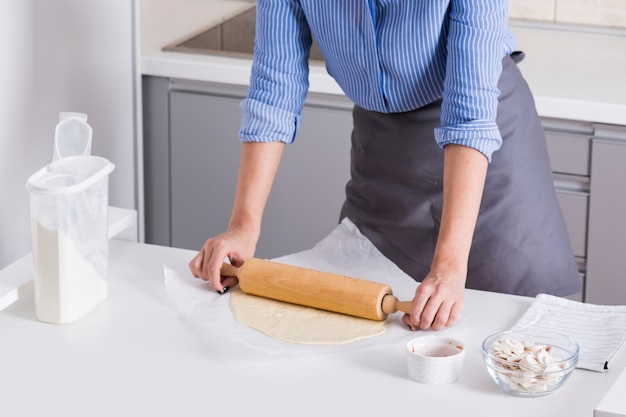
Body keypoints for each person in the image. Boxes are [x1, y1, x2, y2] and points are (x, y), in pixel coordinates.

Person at [189, 0, 581, 331]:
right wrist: (244, 226)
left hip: (485, 153)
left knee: (510, 331)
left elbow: (470, 113)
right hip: (383, 147)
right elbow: (274, 89)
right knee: (372, 326)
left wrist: (447, 265)